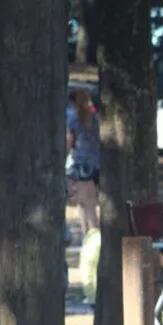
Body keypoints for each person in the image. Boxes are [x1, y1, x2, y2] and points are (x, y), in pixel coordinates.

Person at [66, 89, 101, 239]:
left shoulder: (74, 119)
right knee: (84, 203)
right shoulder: (95, 118)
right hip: (96, 163)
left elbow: (69, 142)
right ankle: (87, 235)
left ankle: (92, 236)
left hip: (81, 164)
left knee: (87, 203)